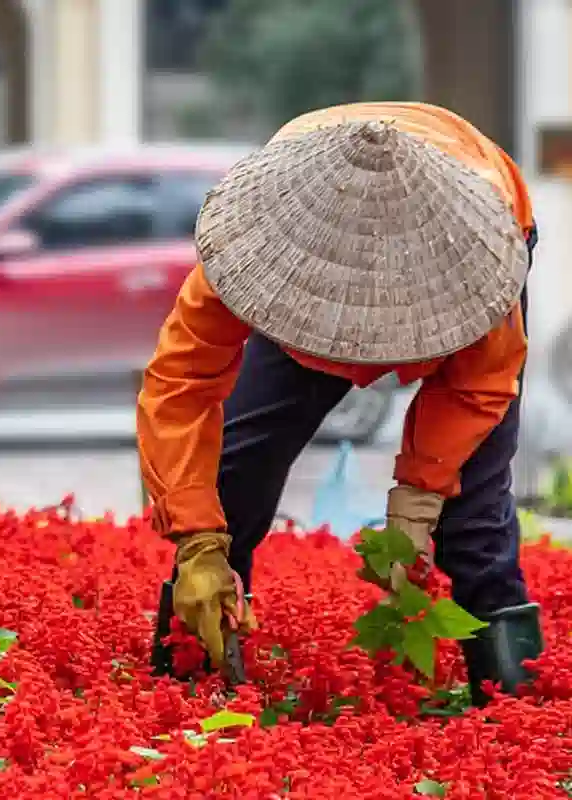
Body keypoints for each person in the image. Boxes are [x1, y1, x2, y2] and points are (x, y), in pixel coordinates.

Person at [140, 102, 543, 706]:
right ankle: (194, 674)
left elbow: (476, 387)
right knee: (236, 470)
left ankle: (517, 705)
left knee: (473, 508)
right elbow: (181, 385)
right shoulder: (257, 245)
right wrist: (197, 540)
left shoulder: (478, 258)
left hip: (454, 232)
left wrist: (417, 501)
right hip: (308, 251)